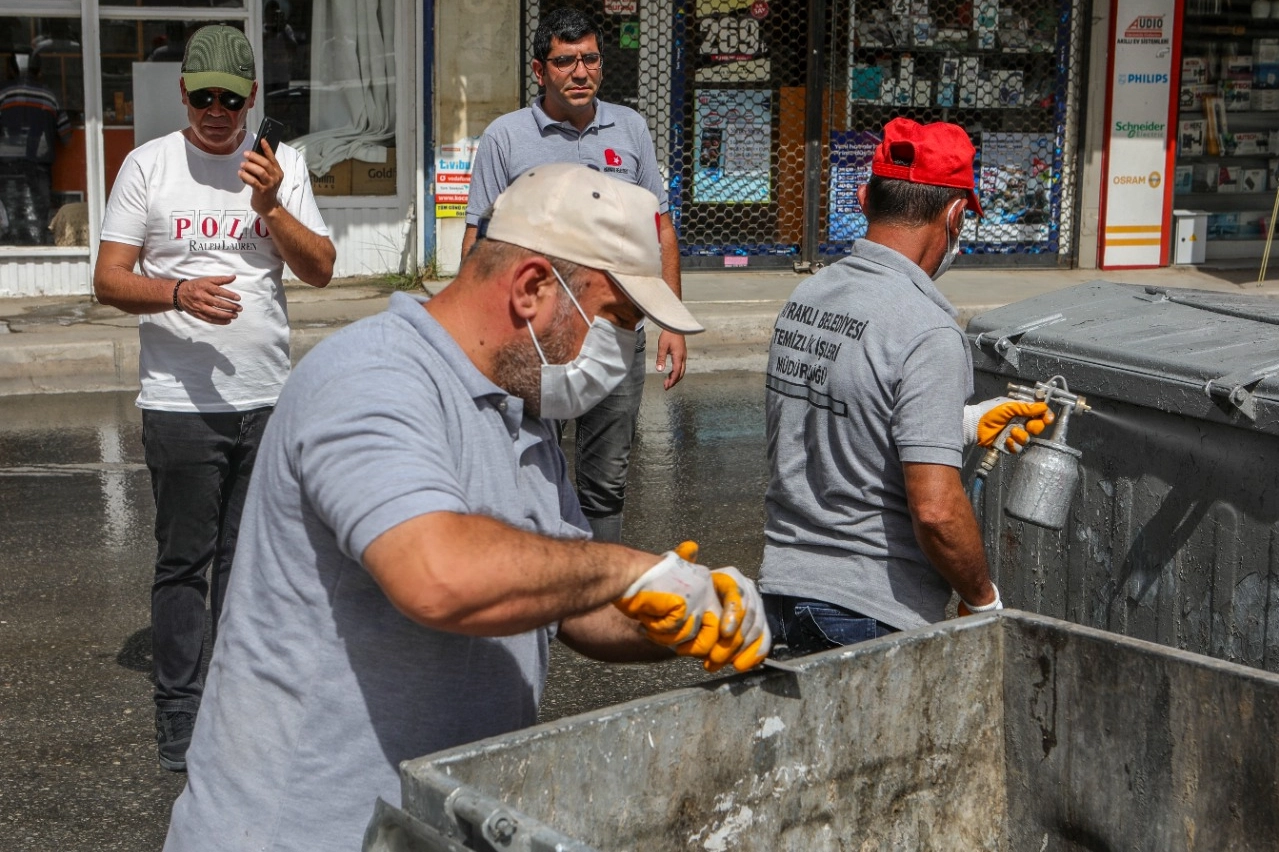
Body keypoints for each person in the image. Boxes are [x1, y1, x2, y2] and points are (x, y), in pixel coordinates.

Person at [162, 162, 770, 852]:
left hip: (427, 825)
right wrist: (628, 568)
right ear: (534, 289)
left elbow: (566, 599)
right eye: (615, 319)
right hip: (303, 830)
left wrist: (681, 618)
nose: (621, 351)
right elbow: (440, 577)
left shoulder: (523, 407)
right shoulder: (372, 377)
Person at [92, 24, 336, 772]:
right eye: (204, 98)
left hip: (266, 400)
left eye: (232, 99)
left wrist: (270, 206)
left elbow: (321, 269)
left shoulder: (280, 165)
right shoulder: (148, 166)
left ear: (252, 98)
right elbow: (108, 278)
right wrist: (176, 292)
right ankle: (179, 714)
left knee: (248, 562)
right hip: (179, 404)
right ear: (185, 95)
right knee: (184, 562)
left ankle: (238, 706)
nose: (218, 112)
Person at [759, 118, 1052, 656]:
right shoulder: (928, 330)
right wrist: (982, 599)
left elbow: (841, 416)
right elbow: (937, 512)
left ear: (865, 197)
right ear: (957, 214)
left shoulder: (809, 296)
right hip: (867, 612)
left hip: (780, 596)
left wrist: (960, 423)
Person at [462, 7, 686, 545]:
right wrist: (473, 334)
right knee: (529, 471)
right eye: (565, 62)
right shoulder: (506, 138)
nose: (581, 72)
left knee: (606, 483)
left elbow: (661, 229)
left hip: (616, 330)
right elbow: (478, 241)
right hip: (538, 339)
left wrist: (671, 323)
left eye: (590, 59)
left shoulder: (630, 127)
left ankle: (598, 600)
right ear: (540, 71)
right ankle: (536, 598)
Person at [0, 52, 71, 244]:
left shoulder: (3, 93)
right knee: (39, 216)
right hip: (39, 165)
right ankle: (38, 248)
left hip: (5, 165)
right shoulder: (49, 95)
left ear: (11, 70)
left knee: (8, 215)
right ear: (38, 71)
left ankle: (10, 248)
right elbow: (66, 135)